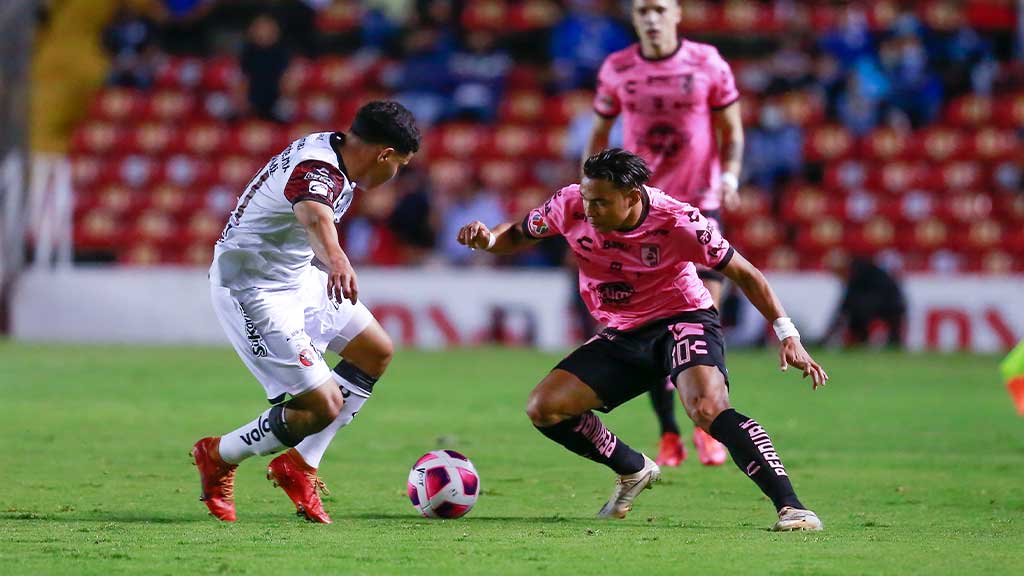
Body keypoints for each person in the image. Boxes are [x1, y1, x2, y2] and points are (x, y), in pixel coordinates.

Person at [457, 149, 827, 531]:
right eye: (587, 199)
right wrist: (488, 239)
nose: (590, 210)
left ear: (632, 196)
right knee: (544, 407)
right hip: (623, 330)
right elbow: (517, 232)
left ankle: (793, 508)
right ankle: (633, 469)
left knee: (707, 408)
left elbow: (745, 273)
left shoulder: (678, 221)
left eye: (601, 202)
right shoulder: (569, 204)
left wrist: (787, 334)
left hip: (683, 318)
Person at [191, 101, 420, 523]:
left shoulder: (336, 151)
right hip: (252, 289)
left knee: (375, 351)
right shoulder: (318, 167)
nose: (396, 175)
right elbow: (314, 213)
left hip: (296, 277)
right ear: (384, 154)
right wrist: (337, 259)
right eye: (400, 165)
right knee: (320, 407)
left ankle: (300, 465)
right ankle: (218, 455)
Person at [583, 0, 745, 468]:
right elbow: (598, 135)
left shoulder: (708, 62)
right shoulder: (617, 68)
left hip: (699, 202)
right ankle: (669, 431)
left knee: (704, 313)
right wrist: (585, 194)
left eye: (658, 9)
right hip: (639, 211)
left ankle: (708, 423)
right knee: (650, 320)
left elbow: (731, 129)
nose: (650, 18)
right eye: (641, 11)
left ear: (677, 14)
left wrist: (731, 176)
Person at [820, 255, 906, 348]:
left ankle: (858, 340)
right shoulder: (864, 277)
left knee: (856, 312)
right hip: (882, 305)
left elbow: (846, 307)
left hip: (884, 306)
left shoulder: (863, 277)